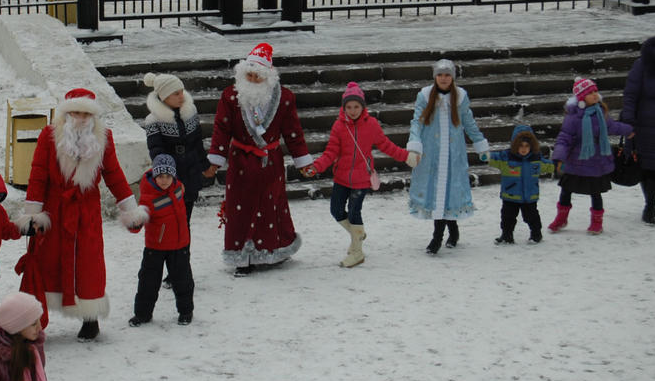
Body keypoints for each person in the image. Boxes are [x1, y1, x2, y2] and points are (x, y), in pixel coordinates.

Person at [16, 88, 147, 341]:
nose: (80, 117)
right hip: (54, 210)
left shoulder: (103, 138)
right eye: (75, 112)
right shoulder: (48, 136)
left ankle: (90, 319)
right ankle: (34, 320)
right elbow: (38, 173)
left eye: (86, 113)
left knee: (88, 265)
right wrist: (33, 213)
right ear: (66, 113)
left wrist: (129, 209)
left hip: (86, 212)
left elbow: (114, 175)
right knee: (47, 263)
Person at [204, 43, 315, 277]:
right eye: (249, 74)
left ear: (268, 76)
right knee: (240, 209)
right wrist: (215, 160)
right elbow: (221, 129)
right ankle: (242, 258)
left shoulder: (284, 97)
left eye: (257, 75)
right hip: (240, 161)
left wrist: (303, 162)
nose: (253, 79)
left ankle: (273, 250)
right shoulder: (230, 96)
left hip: (270, 163)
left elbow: (293, 131)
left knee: (271, 207)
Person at [308, 81, 416, 267]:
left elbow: (386, 145)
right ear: (344, 108)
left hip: (362, 179)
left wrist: (406, 156)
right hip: (341, 177)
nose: (352, 110)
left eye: (356, 106)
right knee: (336, 210)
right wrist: (316, 166)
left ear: (362, 106)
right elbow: (330, 152)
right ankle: (357, 234)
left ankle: (357, 252)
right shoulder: (339, 127)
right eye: (349, 107)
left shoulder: (371, 125)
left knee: (355, 212)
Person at [406, 59, 490, 254]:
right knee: (437, 191)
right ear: (435, 77)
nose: (443, 79)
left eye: (447, 75)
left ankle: (440, 236)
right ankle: (448, 231)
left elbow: (468, 122)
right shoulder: (425, 96)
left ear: (452, 77)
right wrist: (414, 145)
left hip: (454, 154)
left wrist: (480, 144)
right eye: (440, 75)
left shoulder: (460, 98)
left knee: (449, 190)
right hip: (431, 155)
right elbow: (416, 122)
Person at [142, 72, 207, 289]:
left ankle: (181, 270)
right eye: (175, 93)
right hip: (169, 182)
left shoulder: (190, 113)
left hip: (191, 175)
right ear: (163, 97)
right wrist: (168, 178)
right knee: (170, 227)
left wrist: (205, 166)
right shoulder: (154, 121)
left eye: (181, 91)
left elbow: (198, 143)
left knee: (184, 225)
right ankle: (173, 271)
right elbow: (157, 151)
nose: (181, 96)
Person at [548, 78, 634, 234]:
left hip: (596, 161)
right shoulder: (573, 117)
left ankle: (596, 222)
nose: (595, 95)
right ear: (581, 98)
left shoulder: (601, 114)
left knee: (596, 192)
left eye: (595, 91)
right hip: (576, 160)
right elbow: (565, 137)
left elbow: (613, 127)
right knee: (566, 190)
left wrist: (628, 130)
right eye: (590, 93)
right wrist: (559, 157)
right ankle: (561, 218)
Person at [127, 154, 194, 327]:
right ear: (155, 176)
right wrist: (133, 222)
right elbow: (137, 223)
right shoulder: (148, 199)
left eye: (168, 176)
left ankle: (186, 311)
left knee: (183, 281)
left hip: (180, 245)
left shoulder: (179, 187)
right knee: (148, 281)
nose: (164, 181)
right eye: (160, 177)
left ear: (174, 177)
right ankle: (142, 314)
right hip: (155, 247)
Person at [620, 34, 655, 225]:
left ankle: (650, 205)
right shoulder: (643, 65)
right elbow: (630, 94)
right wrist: (628, 120)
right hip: (644, 121)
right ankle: (650, 202)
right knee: (645, 164)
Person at [485, 125, 555, 244]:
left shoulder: (536, 159)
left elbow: (549, 165)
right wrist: (485, 155)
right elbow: (493, 158)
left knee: (532, 217)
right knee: (507, 217)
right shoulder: (506, 157)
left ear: (532, 146)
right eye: (520, 146)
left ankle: (536, 234)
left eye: (527, 146)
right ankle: (507, 235)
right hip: (510, 195)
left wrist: (559, 165)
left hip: (529, 196)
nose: (523, 149)